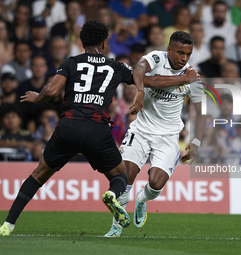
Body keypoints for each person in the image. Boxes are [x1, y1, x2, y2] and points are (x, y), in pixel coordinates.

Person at [0, 20, 200, 236]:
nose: (184, 58)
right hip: (97, 130)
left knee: (38, 175)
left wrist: (37, 97)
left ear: (82, 41)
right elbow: (148, 79)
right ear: (105, 43)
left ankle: (8, 224)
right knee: (120, 178)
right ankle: (113, 199)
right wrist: (172, 82)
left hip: (68, 126)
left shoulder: (71, 62)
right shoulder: (117, 67)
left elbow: (51, 89)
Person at [104, 31, 205, 237]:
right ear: (169, 50)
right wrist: (140, 90)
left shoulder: (192, 77)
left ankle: (142, 199)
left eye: (188, 54)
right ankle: (116, 227)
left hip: (167, 137)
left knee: (156, 184)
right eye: (180, 53)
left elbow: (202, 112)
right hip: (141, 131)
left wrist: (195, 142)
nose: (184, 58)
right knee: (125, 179)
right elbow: (138, 69)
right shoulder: (156, 58)